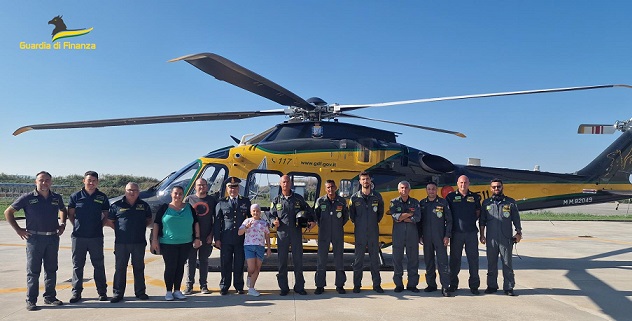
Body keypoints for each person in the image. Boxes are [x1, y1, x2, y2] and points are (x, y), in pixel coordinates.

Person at [4, 171, 68, 311]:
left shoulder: (56, 197)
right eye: (41, 180)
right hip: (35, 239)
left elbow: (63, 210)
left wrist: (62, 224)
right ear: (36, 182)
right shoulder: (27, 198)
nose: (44, 183)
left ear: (51, 182)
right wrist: (18, 229)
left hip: (52, 237)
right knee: (33, 271)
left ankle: (50, 297)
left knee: (51, 269)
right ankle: (31, 300)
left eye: (47, 180)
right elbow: (8, 212)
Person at [152, 185, 202, 301]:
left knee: (180, 267)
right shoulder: (164, 208)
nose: (178, 196)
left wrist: (197, 238)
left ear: (183, 195)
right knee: (170, 267)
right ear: (171, 194)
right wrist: (155, 240)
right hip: (168, 243)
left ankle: (177, 290)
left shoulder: (189, 208)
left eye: (180, 193)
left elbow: (196, 223)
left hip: (186, 242)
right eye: (175, 193)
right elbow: (156, 224)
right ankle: (169, 291)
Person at [67, 171, 110, 303]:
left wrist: (99, 226)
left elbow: (106, 214)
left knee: (99, 265)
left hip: (95, 237)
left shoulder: (102, 197)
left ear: (97, 182)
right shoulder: (75, 196)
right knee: (77, 266)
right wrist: (78, 226)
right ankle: (76, 292)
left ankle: (102, 292)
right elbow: (71, 214)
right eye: (89, 180)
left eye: (94, 181)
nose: (91, 183)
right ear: (83, 181)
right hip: (78, 237)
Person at [269, 174, 316, 296]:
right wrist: (273, 221)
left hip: (296, 233)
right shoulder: (276, 200)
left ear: (290, 184)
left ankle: (299, 287)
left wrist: (312, 222)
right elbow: (270, 215)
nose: (285, 184)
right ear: (280, 184)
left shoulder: (298, 199)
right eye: (283, 182)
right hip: (282, 234)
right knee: (282, 261)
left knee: (298, 261)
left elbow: (310, 211)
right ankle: (283, 287)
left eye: (287, 182)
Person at [106, 182, 152, 303]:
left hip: (139, 242)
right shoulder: (116, 205)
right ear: (125, 190)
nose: (132, 192)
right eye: (130, 190)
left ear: (138, 192)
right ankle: (118, 293)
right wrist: (121, 231)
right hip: (122, 243)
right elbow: (111, 221)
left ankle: (140, 292)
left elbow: (148, 220)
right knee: (120, 268)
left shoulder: (144, 205)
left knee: (139, 268)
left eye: (135, 190)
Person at [480, 179, 522, 296]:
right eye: (494, 187)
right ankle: (491, 286)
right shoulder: (486, 203)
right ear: (490, 188)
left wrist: (519, 233)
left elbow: (516, 219)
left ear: (502, 187)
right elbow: (482, 220)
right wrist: (482, 235)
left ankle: (508, 287)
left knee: (507, 263)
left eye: (498, 187)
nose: (496, 189)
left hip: (506, 238)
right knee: (491, 263)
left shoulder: (510, 202)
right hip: (491, 238)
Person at [214, 177, 251, 295]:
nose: (232, 189)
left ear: (238, 188)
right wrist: (217, 239)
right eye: (230, 187)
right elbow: (217, 222)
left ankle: (239, 286)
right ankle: (224, 285)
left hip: (241, 239)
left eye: (235, 187)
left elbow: (251, 219)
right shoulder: (221, 202)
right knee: (225, 263)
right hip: (226, 238)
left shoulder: (245, 202)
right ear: (226, 188)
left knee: (239, 263)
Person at [349, 171, 385, 293]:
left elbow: (380, 213)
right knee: (358, 260)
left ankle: (377, 285)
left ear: (370, 180)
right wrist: (361, 224)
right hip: (360, 232)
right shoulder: (354, 198)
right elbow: (352, 216)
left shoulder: (377, 196)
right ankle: (357, 285)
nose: (365, 181)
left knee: (374, 260)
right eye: (363, 179)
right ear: (360, 181)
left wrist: (372, 223)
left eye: (367, 179)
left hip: (373, 232)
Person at [446, 175, 482, 295]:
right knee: (454, 261)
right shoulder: (450, 197)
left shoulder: (475, 197)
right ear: (457, 183)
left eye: (465, 182)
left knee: (473, 260)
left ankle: (474, 286)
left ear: (469, 183)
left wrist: (470, 221)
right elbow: (448, 215)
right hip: (456, 234)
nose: (463, 185)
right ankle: (453, 284)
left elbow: (478, 212)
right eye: (461, 182)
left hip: (471, 233)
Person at [314, 180, 349, 295]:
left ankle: (340, 285)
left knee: (339, 259)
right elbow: (316, 216)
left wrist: (337, 225)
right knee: (321, 259)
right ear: (325, 189)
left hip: (337, 233)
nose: (330, 189)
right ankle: (320, 285)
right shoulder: (320, 201)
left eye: (332, 187)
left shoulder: (341, 201)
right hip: (324, 233)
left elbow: (345, 217)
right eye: (328, 187)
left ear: (336, 188)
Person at [419, 181, 453, 297]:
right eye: (429, 189)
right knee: (429, 262)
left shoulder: (443, 203)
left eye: (433, 189)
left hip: (440, 237)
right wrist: (420, 236)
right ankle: (431, 285)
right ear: (426, 190)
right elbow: (420, 222)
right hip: (427, 237)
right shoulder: (422, 203)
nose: (431, 191)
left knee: (443, 262)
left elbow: (449, 220)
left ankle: (445, 286)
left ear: (436, 190)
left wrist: (447, 235)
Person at [183, 178, 216, 295]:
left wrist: (211, 235)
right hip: (191, 237)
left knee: (204, 261)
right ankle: (189, 285)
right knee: (190, 261)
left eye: (203, 185)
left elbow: (215, 220)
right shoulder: (188, 200)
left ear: (206, 186)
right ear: (195, 187)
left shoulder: (212, 200)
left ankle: (203, 285)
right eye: (199, 185)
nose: (201, 187)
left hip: (206, 236)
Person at [389, 180, 421, 293]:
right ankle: (398, 284)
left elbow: (417, 218)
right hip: (398, 235)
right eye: (402, 188)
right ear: (399, 190)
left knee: (413, 260)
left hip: (412, 235)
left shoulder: (415, 202)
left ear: (409, 189)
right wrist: (409, 215)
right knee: (397, 260)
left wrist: (403, 217)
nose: (404, 190)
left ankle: (412, 284)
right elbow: (395, 217)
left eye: (406, 188)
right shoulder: (394, 202)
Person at [238, 204, 272, 297]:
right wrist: (246, 227)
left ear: (260, 212)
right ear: (250, 212)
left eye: (257, 211)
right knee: (251, 268)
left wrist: (268, 248)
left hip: (260, 247)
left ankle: (251, 288)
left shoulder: (264, 223)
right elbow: (239, 232)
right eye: (254, 211)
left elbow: (267, 236)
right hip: (249, 246)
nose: (255, 213)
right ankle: (250, 276)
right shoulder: (247, 221)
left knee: (257, 268)